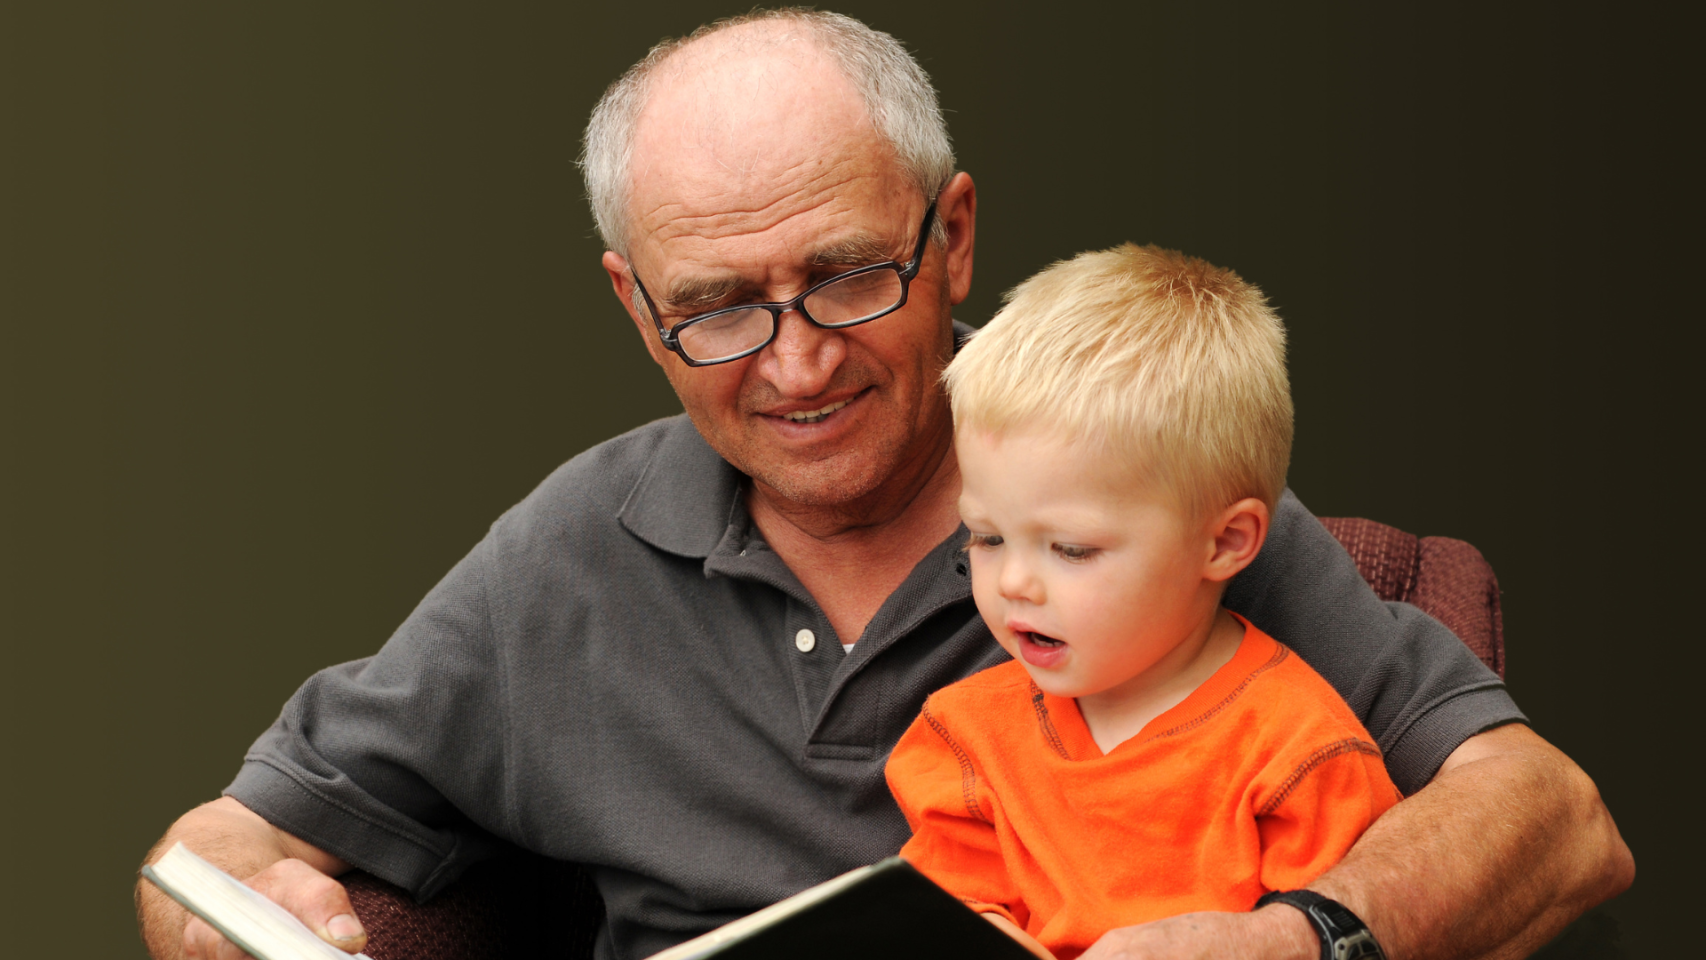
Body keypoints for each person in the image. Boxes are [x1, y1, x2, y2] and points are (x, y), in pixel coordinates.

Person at [137, 10, 1632, 960]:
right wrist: (225, 904)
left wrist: (1311, 940)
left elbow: (1553, 818)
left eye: (846, 276)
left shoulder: (1121, 497)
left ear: (954, 236)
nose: (794, 369)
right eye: (716, 308)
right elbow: (227, 838)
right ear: (630, 303)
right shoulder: (561, 557)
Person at [887, 243, 1402, 960]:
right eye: (987, 538)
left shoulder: (1299, 753)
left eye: (1070, 550)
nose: (1013, 584)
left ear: (1224, 543)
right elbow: (947, 904)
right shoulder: (967, 737)